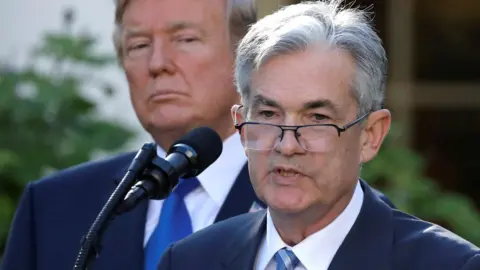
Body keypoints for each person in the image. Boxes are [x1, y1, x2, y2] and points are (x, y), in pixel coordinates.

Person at [0, 0, 393, 269]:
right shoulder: (53, 207)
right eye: (138, 44)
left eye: (184, 39)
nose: (157, 64)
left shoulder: (326, 207)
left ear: (246, 54)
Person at [155, 1, 480, 269]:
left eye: (317, 119)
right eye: (268, 115)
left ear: (370, 135)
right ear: (241, 127)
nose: (287, 144)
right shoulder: (188, 260)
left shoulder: (449, 264)